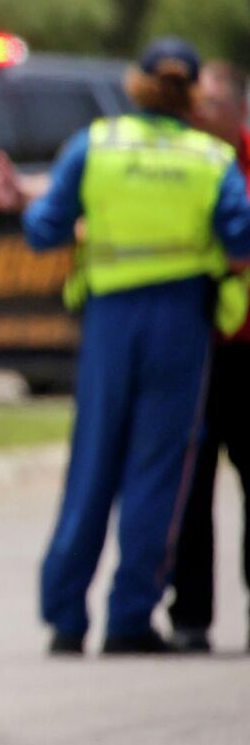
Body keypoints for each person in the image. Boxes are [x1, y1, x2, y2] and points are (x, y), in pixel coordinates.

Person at [11, 38, 250, 656]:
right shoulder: (211, 157)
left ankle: (65, 620)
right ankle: (129, 619)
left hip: (111, 323)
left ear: (138, 84)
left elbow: (43, 231)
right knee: (157, 473)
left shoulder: (99, 144)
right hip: (180, 324)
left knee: (91, 466)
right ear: (193, 93)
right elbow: (241, 238)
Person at [170, 60, 250, 653]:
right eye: (194, 106)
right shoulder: (187, 162)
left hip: (247, 352)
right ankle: (190, 619)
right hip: (196, 350)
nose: (199, 115)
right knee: (190, 489)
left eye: (211, 105)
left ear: (238, 109)